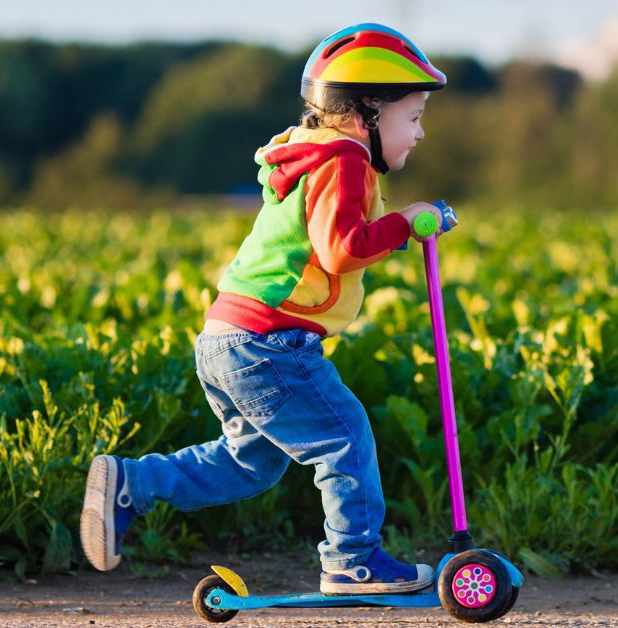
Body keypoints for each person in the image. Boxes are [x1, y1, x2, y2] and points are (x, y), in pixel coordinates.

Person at [80, 23, 447, 595]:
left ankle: (131, 483)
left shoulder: (316, 155)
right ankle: (353, 560)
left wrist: (398, 225)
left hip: (228, 336)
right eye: (415, 116)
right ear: (368, 111)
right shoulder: (345, 158)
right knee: (344, 437)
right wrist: (405, 222)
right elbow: (342, 248)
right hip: (270, 342)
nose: (420, 133)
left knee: (249, 464)